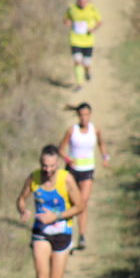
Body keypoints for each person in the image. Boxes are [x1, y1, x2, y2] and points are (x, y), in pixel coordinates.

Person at [16, 145, 84, 278]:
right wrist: (23, 210)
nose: (47, 170)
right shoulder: (34, 177)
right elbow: (21, 198)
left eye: (52, 166)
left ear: (58, 164)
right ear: (40, 164)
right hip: (41, 233)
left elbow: (80, 206)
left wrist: (57, 216)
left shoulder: (66, 179)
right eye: (44, 166)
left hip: (62, 233)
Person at [58, 102, 109, 250]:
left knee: (83, 202)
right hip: (72, 170)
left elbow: (101, 144)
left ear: (90, 115)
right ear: (78, 116)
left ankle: (81, 235)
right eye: (81, 115)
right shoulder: (71, 131)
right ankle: (67, 235)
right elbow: (61, 149)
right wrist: (68, 159)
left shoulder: (95, 130)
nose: (84, 118)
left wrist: (105, 157)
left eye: (86, 114)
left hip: (87, 170)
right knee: (71, 203)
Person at [63, 0, 102, 91]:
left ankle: (87, 71)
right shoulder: (71, 8)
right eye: (80, 0)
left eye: (84, 1)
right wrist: (68, 22)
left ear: (87, 1)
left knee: (86, 63)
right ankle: (79, 83)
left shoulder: (92, 9)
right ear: (77, 1)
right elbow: (65, 19)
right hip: (75, 40)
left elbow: (99, 22)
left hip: (88, 41)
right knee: (77, 61)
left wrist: (93, 29)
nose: (82, 3)